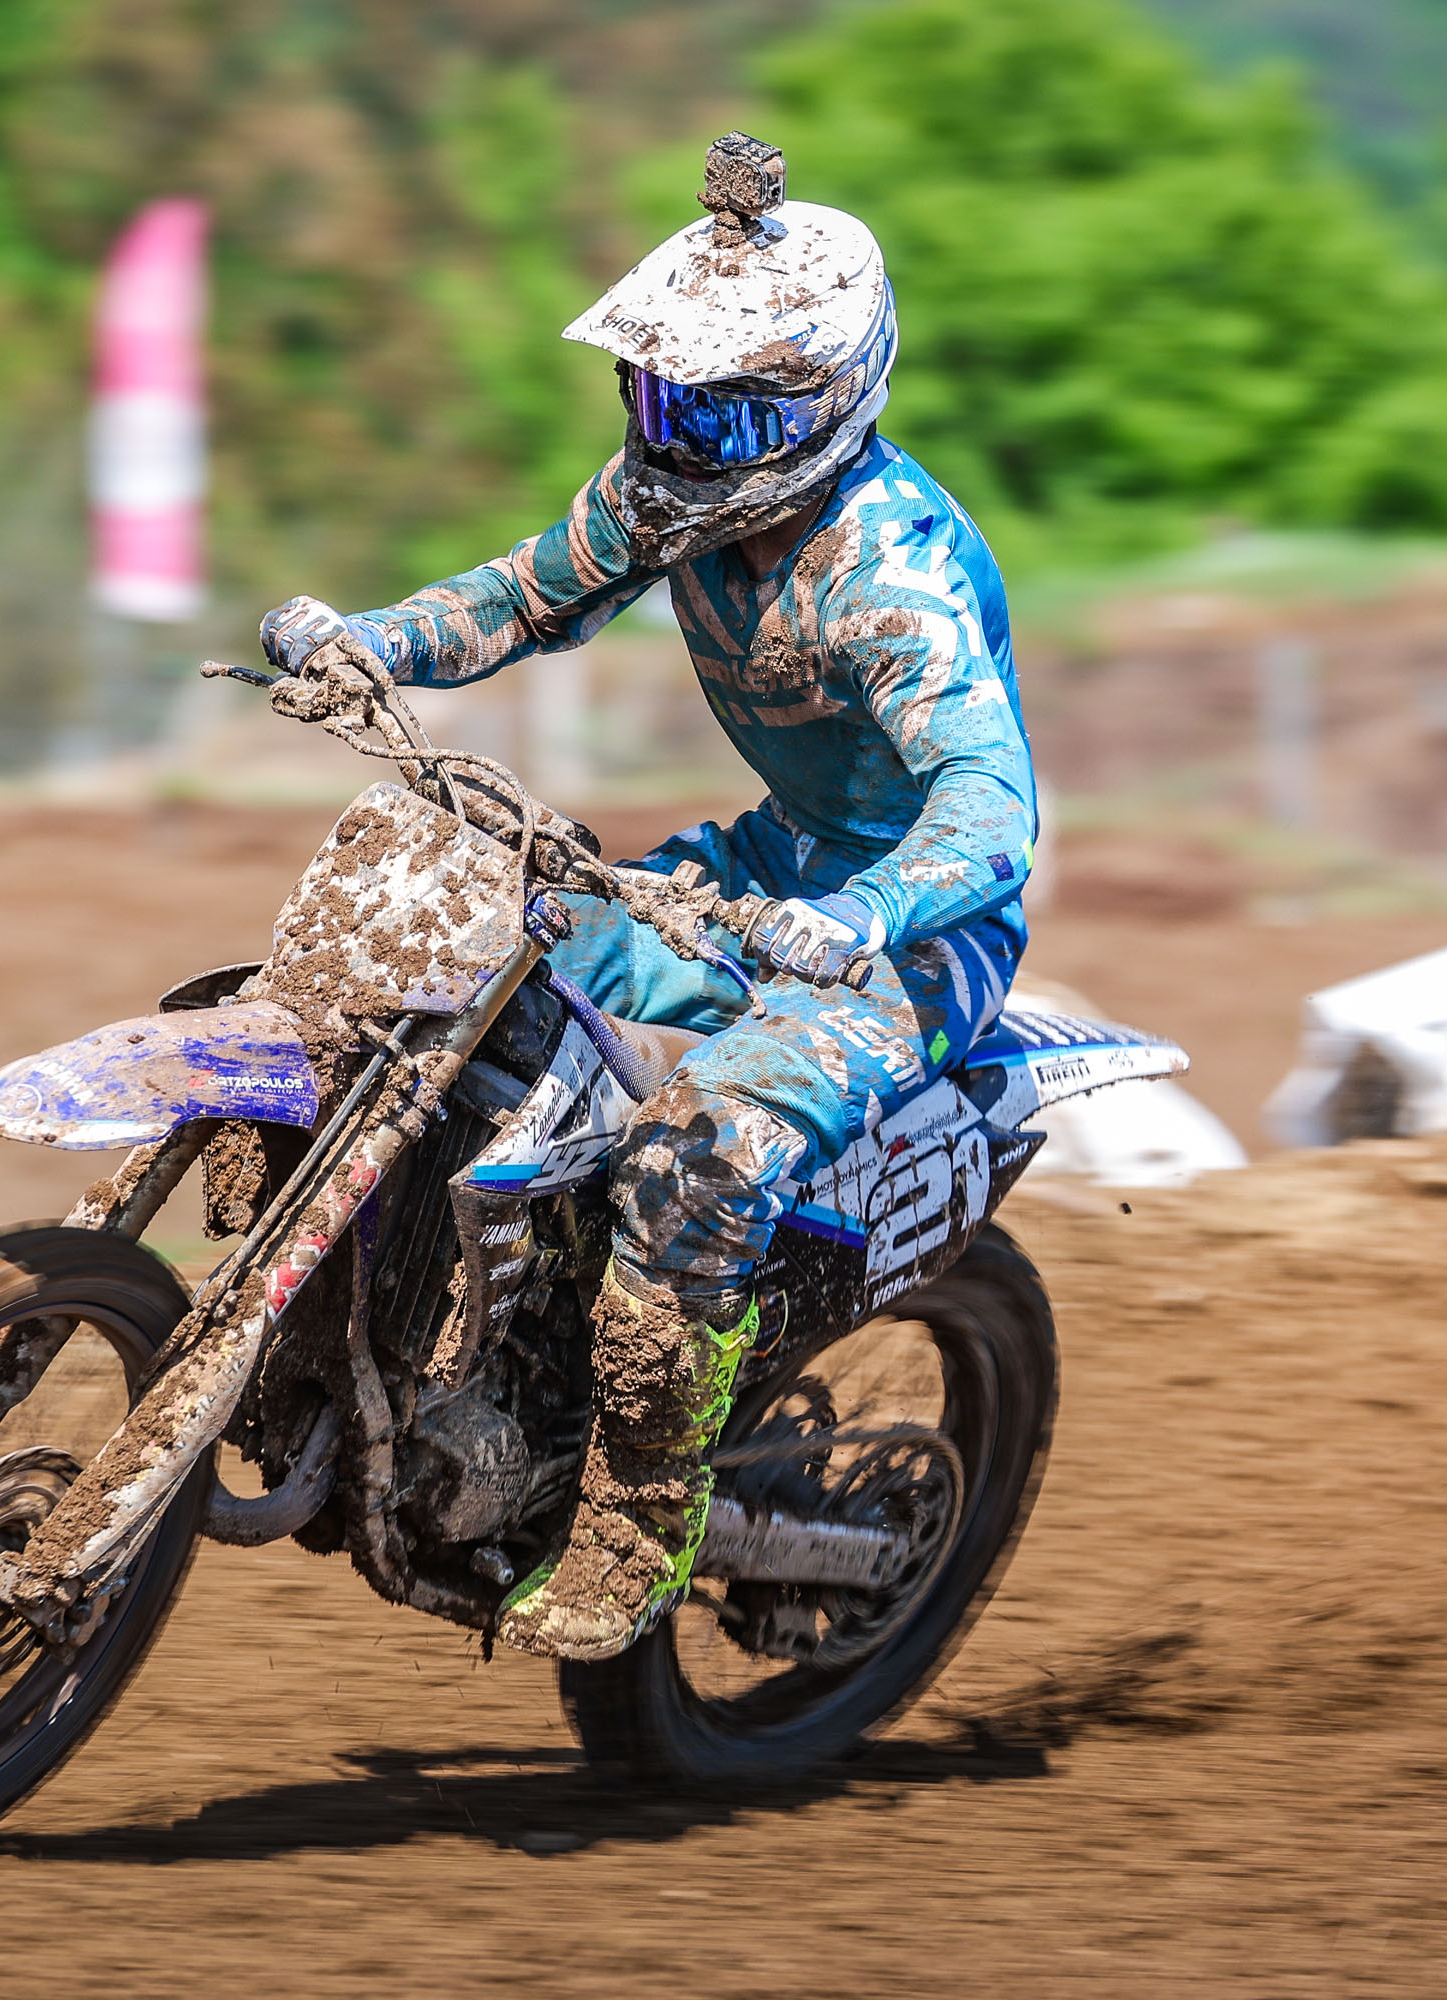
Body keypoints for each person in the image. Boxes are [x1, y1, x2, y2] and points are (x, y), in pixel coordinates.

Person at [259, 132, 1037, 1661]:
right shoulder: (668, 495)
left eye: (716, 411)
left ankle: (638, 1516)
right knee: (478, 954)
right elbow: (520, 595)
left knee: (697, 1153)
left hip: (912, 939)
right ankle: (454, 1327)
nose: (675, 439)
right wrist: (370, 642)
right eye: (657, 398)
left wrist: (863, 918)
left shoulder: (892, 577)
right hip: (764, 867)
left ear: (821, 404)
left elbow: (991, 811)